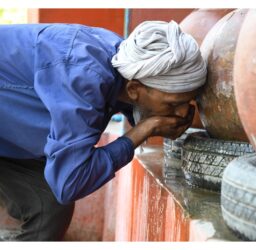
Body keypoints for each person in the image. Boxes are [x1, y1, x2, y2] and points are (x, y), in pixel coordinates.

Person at [0, 20, 207, 240]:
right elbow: (70, 182)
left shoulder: (125, 63)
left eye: (188, 101)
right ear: (134, 89)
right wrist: (146, 129)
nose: (183, 112)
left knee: (48, 208)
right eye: (173, 103)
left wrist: (150, 120)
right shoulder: (83, 79)